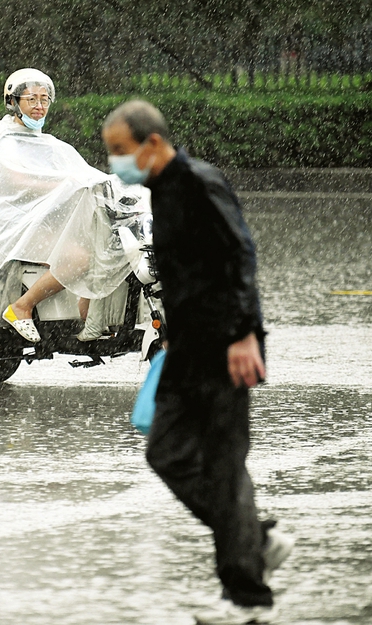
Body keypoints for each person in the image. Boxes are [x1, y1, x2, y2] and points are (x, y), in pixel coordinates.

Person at [101, 100, 294, 625]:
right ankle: (254, 539)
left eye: (121, 151)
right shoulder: (160, 192)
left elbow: (240, 257)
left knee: (224, 466)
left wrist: (246, 335)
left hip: (225, 349)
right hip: (184, 351)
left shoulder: (201, 184)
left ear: (154, 143)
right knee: (166, 452)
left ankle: (248, 599)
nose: (116, 162)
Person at [0, 68, 147, 343]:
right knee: (79, 258)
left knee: (106, 246)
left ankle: (90, 314)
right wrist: (65, 185)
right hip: (8, 226)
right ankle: (21, 307)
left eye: (44, 99)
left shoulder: (48, 144)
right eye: (32, 99)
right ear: (13, 102)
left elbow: (80, 175)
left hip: (41, 221)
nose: (40, 106)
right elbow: (15, 181)